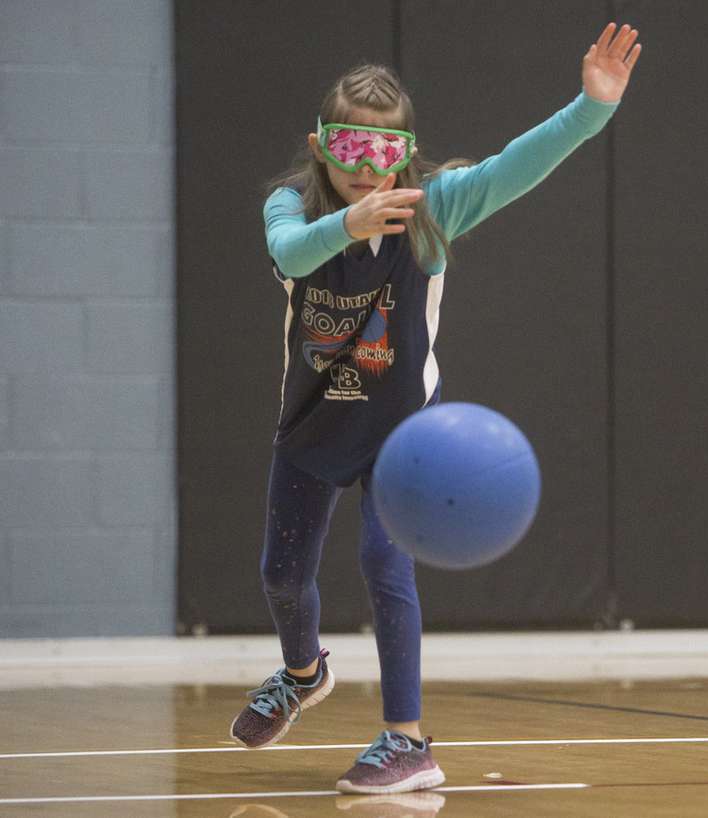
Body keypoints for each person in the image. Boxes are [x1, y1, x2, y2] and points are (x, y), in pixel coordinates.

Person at [227, 22, 642, 794]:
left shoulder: (435, 210)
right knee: (283, 577)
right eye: (349, 148)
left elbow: (522, 163)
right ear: (322, 146)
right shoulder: (291, 207)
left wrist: (591, 108)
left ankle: (407, 741)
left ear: (405, 154)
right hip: (313, 426)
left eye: (383, 152)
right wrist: (345, 226)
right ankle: (301, 670)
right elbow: (289, 253)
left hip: (403, 438)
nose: (366, 168)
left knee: (386, 566)